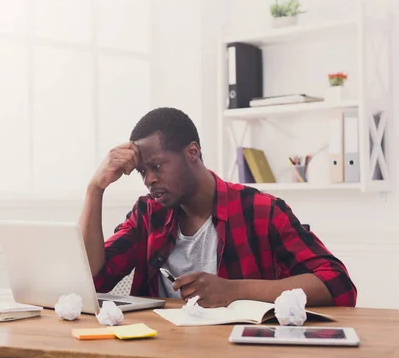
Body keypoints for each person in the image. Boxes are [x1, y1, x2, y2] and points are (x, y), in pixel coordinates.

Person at [79, 107, 356, 308]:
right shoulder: (148, 214)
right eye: (142, 171)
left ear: (192, 153)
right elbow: (91, 277)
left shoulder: (261, 210)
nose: (149, 179)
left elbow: (338, 284)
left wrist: (234, 290)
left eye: (157, 166)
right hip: (159, 348)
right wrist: (96, 188)